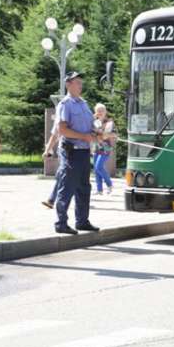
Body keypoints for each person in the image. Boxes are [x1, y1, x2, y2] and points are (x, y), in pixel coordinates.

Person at [54, 72, 100, 235]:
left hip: (84, 151)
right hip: (71, 151)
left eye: (81, 82)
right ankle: (61, 223)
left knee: (84, 188)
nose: (80, 85)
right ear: (68, 85)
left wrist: (96, 132)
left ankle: (82, 221)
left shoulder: (83, 104)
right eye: (77, 82)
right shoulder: (65, 104)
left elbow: (90, 125)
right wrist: (83, 136)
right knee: (67, 187)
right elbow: (62, 129)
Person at [92, 103, 115, 195]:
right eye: (98, 111)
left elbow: (112, 134)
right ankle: (99, 189)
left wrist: (101, 134)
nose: (100, 112)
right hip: (96, 147)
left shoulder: (109, 122)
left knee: (99, 167)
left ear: (105, 112)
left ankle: (109, 184)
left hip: (105, 148)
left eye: (102, 110)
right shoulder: (94, 122)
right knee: (96, 169)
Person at [41, 126, 60, 209]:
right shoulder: (61, 118)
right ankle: (51, 200)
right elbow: (54, 135)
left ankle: (52, 200)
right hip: (64, 153)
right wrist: (47, 150)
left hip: (79, 153)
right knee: (61, 176)